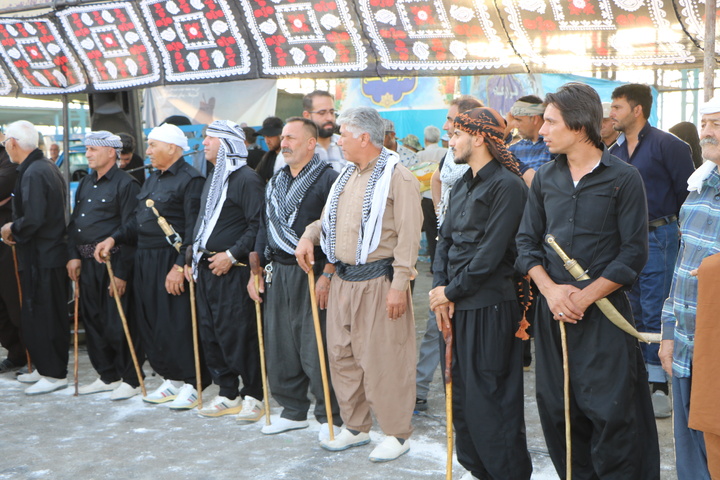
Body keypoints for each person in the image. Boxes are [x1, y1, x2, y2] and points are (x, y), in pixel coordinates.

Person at [516, 82, 659, 479]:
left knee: (613, 415)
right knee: (560, 412)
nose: (541, 130)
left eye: (549, 121)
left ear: (579, 125)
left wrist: (584, 297)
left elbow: (633, 253)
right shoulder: (545, 178)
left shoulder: (624, 178)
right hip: (553, 317)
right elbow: (526, 243)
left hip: (605, 318)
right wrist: (550, 290)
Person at [295, 107, 422, 462]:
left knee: (385, 359)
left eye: (344, 135)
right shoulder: (346, 176)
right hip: (342, 283)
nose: (338, 141)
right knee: (342, 356)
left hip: (380, 283)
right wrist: (311, 243)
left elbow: (409, 240)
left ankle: (397, 434)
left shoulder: (398, 178)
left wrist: (400, 285)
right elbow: (329, 225)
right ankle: (356, 426)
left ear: (364, 138)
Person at [429, 107, 532, 480]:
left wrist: (450, 291)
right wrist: (440, 288)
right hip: (455, 305)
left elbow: (491, 254)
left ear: (478, 137)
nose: (450, 141)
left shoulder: (508, 185)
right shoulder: (461, 185)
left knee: (492, 402)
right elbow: (445, 240)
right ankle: (479, 471)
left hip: (489, 307)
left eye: (455, 134)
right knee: (461, 402)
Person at [94, 123, 208, 410]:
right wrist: (113, 237)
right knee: (153, 322)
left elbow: (194, 229)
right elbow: (136, 220)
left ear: (171, 147)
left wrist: (179, 266)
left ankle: (194, 383)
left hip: (169, 260)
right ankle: (170, 378)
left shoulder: (190, 180)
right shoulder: (152, 178)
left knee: (178, 322)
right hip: (144, 258)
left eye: (153, 144)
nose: (147, 151)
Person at [248, 117, 342, 437]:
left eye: (290, 138)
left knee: (315, 345)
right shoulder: (275, 182)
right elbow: (264, 228)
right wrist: (256, 270)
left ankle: (330, 413)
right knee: (280, 344)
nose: (283, 143)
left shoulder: (330, 179)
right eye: (283, 138)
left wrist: (328, 274)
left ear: (311, 143)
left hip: (313, 272)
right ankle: (292, 409)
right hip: (278, 272)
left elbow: (336, 232)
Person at [609, 83, 695, 418]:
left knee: (658, 306)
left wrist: (680, 238)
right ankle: (639, 377)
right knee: (629, 306)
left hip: (660, 234)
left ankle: (660, 384)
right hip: (626, 240)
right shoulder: (614, 151)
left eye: (617, 107)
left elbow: (687, 196)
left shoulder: (669, 145)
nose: (611, 113)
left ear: (637, 110)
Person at [659, 96, 720, 480]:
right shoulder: (698, 189)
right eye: (705, 122)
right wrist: (667, 334)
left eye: (718, 123)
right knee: (693, 461)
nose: (708, 131)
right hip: (685, 348)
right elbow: (680, 269)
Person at [189, 120, 265, 420]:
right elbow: (204, 223)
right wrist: (190, 258)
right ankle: (227, 392)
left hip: (233, 271)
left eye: (211, 138)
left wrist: (232, 255)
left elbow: (258, 224)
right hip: (207, 268)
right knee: (212, 332)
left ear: (228, 144)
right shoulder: (213, 178)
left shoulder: (247, 179)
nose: (204, 143)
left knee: (239, 333)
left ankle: (255, 395)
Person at [416, 95, 482, 412]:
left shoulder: (482, 158)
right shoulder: (450, 151)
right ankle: (420, 390)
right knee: (436, 321)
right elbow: (438, 178)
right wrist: (444, 219)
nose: (445, 126)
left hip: (472, 258)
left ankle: (463, 397)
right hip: (449, 248)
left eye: (451, 120)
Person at [67, 131, 143, 400]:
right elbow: (75, 223)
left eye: (93, 149)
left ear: (111, 152)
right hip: (86, 263)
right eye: (87, 149)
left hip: (113, 263)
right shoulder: (87, 182)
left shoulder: (126, 184)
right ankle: (107, 375)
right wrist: (72, 255)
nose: (87, 154)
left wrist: (121, 273)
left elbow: (131, 231)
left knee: (118, 322)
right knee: (95, 320)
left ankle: (131, 378)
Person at [0, 121, 69, 395]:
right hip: (39, 255)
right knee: (37, 313)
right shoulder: (39, 167)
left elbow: (35, 218)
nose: (5, 145)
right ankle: (44, 367)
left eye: (6, 141)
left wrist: (11, 228)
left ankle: (54, 374)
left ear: (14, 143)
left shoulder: (36, 171)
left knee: (48, 315)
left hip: (46, 256)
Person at [0, 129, 25, 374]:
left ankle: (24, 352)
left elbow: (4, 184)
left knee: (12, 297)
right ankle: (13, 351)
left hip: (7, 240)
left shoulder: (7, 156)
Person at [508, 95, 553, 187]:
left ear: (534, 119)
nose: (515, 125)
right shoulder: (513, 149)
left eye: (519, 120)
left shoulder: (553, 146)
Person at [302, 90, 346, 172]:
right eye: (322, 113)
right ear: (307, 116)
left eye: (332, 112)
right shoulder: (297, 148)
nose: (329, 118)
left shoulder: (346, 144)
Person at [255, 116, 284, 182]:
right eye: (265, 136)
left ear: (280, 135)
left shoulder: (291, 156)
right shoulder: (267, 158)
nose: (267, 141)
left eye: (270, 136)